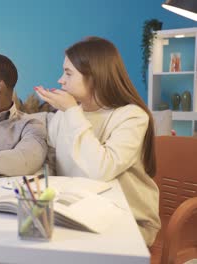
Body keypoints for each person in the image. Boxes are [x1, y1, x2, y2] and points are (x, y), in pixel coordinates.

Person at [35, 37, 160, 246]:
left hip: (128, 220)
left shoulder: (132, 117)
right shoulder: (65, 115)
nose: (60, 80)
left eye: (68, 73)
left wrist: (73, 111)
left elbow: (100, 171)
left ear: (93, 76)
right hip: (79, 213)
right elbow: (51, 166)